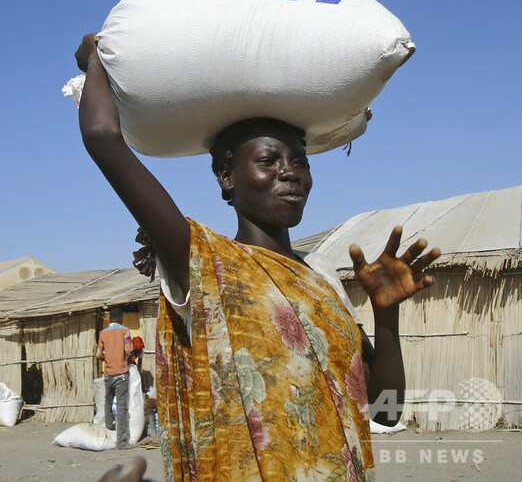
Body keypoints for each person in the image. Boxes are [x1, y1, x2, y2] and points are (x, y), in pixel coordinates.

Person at [75, 34, 440, 480]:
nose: (290, 172)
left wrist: (386, 315)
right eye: (269, 160)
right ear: (227, 177)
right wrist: (96, 61)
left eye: (300, 161)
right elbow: (102, 137)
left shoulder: (320, 277)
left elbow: (385, 412)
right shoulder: (201, 260)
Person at [96, 307, 133, 449]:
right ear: (120, 318)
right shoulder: (125, 331)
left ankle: (109, 429)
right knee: (122, 407)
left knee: (108, 401)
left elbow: (98, 354)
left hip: (108, 373)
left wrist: (108, 358)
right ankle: (122, 441)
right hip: (121, 373)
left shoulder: (103, 333)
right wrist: (125, 359)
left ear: (110, 318)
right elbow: (128, 351)